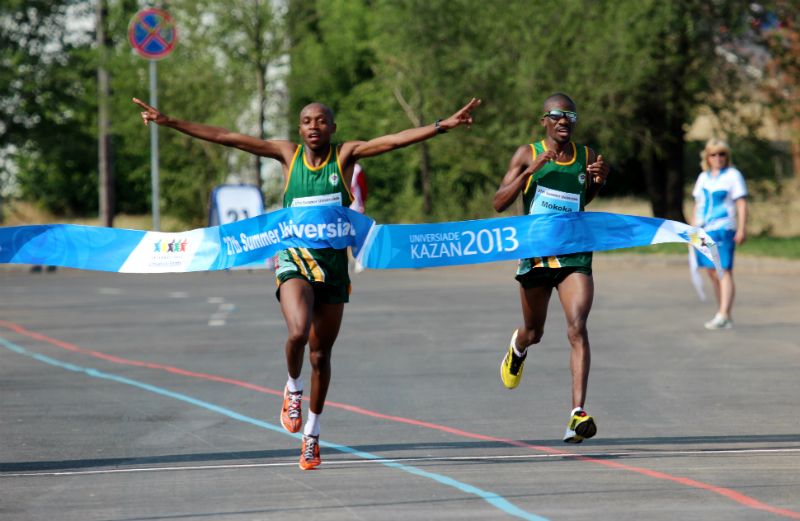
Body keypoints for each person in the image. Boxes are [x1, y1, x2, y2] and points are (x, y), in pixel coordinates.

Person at [133, 96, 481, 469]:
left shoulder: (344, 156)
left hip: (333, 267)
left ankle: (312, 434)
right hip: (294, 260)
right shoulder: (288, 156)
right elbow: (227, 137)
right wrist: (170, 121)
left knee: (320, 356)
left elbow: (393, 140)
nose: (313, 126)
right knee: (297, 332)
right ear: (299, 129)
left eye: (321, 120)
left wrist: (441, 125)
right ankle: (292, 388)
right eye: (306, 121)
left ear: (333, 128)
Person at [492, 92, 609, 443]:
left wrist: (599, 181)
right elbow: (499, 202)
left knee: (577, 326)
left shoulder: (586, 155)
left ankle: (577, 414)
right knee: (534, 331)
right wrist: (530, 171)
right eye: (556, 115)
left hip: (574, 253)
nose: (563, 121)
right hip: (536, 256)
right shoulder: (526, 154)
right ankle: (518, 348)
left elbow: (581, 199)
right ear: (543, 120)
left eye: (570, 116)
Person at [691, 138, 748, 330]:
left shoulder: (733, 175)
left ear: (727, 156)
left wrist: (742, 228)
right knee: (712, 271)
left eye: (721, 154)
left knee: (723, 269)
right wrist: (692, 231)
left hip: (723, 228)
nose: (717, 158)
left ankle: (723, 314)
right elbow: (698, 205)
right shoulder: (703, 177)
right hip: (703, 230)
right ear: (707, 157)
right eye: (713, 154)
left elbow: (741, 203)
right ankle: (724, 313)